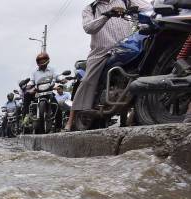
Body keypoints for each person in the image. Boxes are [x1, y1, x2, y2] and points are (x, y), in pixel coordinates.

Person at [64, 0, 152, 131]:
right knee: (87, 80)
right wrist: (107, 15)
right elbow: (88, 28)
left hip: (127, 46)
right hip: (101, 51)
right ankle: (70, 121)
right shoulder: (90, 9)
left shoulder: (125, 1)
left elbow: (148, 7)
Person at [23, 53, 58, 118]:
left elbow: (57, 76)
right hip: (37, 91)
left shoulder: (52, 69)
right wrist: (28, 85)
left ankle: (58, 126)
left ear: (47, 61)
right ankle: (27, 115)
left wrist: (62, 79)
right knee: (26, 95)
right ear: (38, 62)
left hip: (49, 91)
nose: (42, 62)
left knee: (57, 107)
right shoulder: (34, 71)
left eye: (44, 60)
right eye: (40, 60)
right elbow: (32, 81)